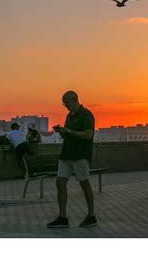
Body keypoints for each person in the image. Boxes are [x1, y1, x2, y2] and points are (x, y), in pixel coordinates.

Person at [47, 91, 97, 228]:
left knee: (84, 184)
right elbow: (68, 134)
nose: (65, 106)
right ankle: (62, 217)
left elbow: (88, 134)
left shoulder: (86, 114)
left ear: (74, 100)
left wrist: (69, 131)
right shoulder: (69, 115)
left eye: (66, 103)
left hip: (80, 155)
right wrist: (63, 132)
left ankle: (91, 216)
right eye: (64, 103)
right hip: (66, 155)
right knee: (60, 182)